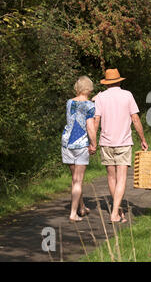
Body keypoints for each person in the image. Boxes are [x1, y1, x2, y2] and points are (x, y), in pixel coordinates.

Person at [93, 68, 148, 223]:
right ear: (119, 81)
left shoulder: (100, 97)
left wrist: (93, 142)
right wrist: (142, 139)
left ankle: (118, 211)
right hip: (123, 142)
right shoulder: (127, 95)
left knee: (111, 177)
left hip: (106, 142)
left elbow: (96, 120)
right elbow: (135, 119)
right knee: (122, 178)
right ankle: (114, 213)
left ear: (106, 83)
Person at [61, 76, 97, 222]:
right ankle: (73, 214)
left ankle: (81, 207)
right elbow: (90, 127)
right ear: (89, 88)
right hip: (81, 144)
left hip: (66, 143)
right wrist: (94, 144)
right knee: (78, 180)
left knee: (75, 179)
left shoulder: (69, 102)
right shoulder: (90, 106)